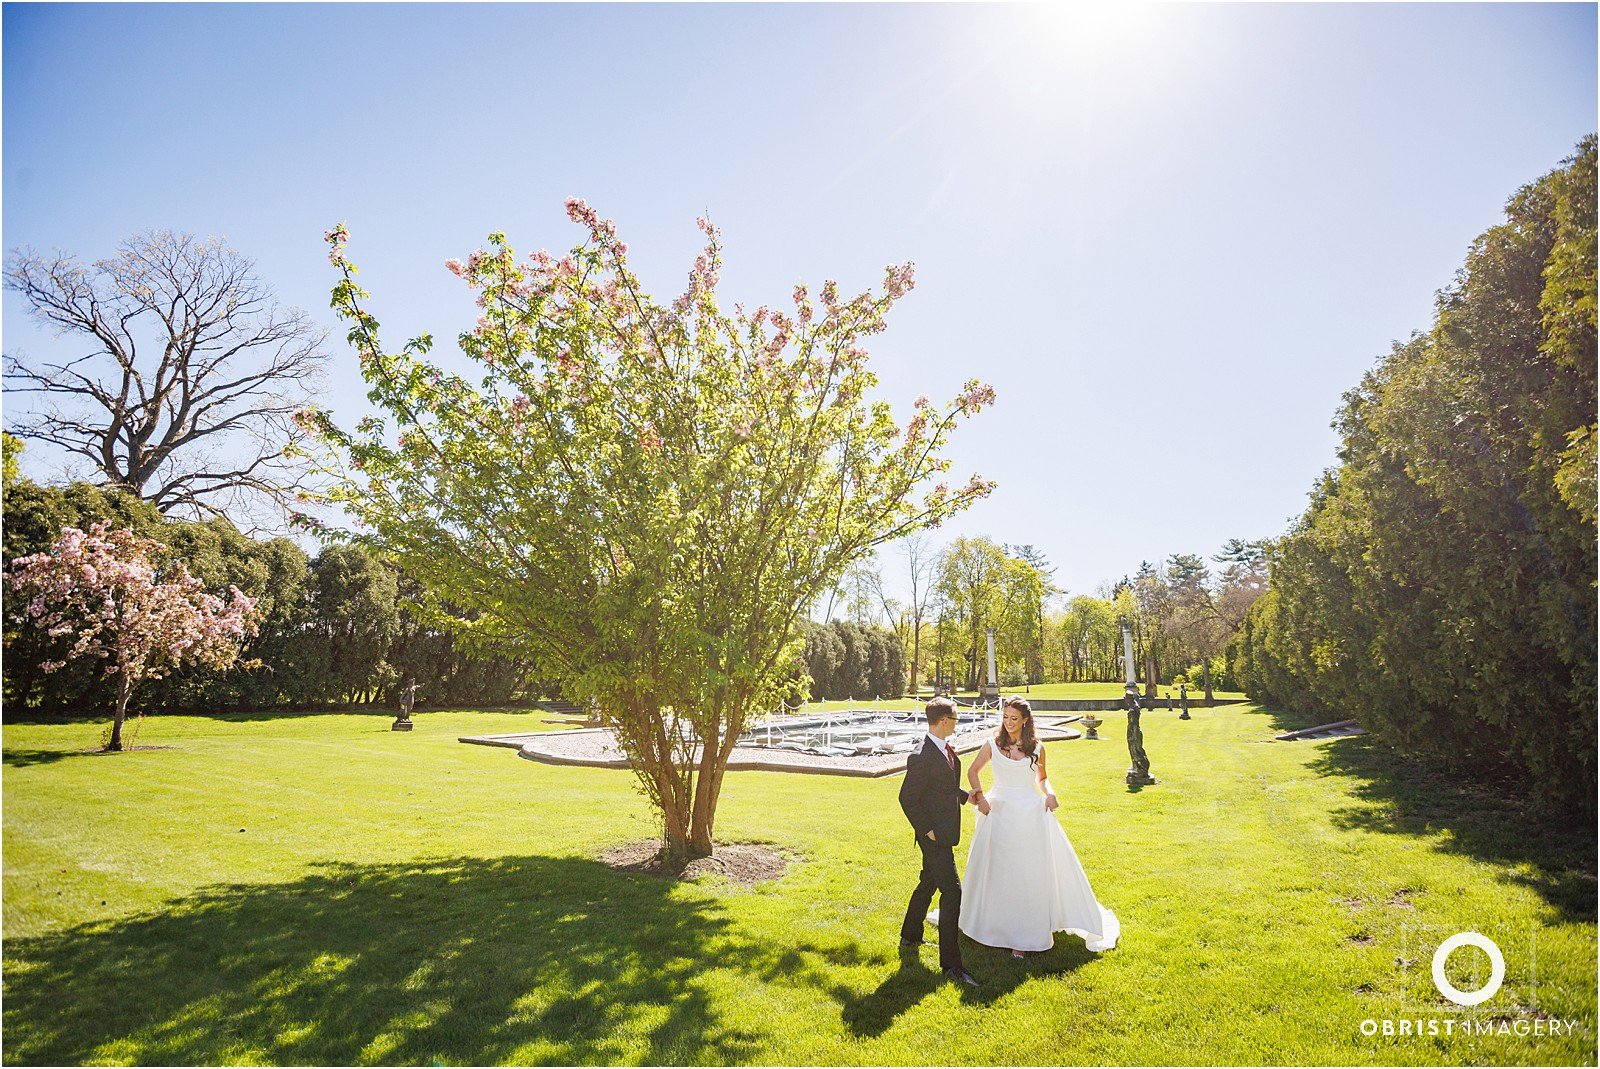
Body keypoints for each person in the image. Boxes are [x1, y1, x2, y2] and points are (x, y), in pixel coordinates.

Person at [959, 696, 1120, 956]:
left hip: (1029, 814)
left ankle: (1023, 938)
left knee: (1027, 873)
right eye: (1005, 717)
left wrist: (1050, 794)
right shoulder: (991, 744)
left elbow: (1042, 779)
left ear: (1025, 720)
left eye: (1014, 718)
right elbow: (973, 770)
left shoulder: (1037, 748)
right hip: (999, 812)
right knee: (998, 869)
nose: (1009, 723)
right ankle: (991, 924)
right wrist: (980, 797)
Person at [897, 695, 980, 986]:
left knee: (928, 882)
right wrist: (927, 830)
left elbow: (941, 787)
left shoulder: (942, 749)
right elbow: (907, 797)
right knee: (953, 891)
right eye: (955, 719)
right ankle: (952, 966)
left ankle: (909, 934)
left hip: (944, 830)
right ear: (944, 721)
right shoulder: (921, 755)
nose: (957, 724)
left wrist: (964, 797)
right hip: (935, 835)